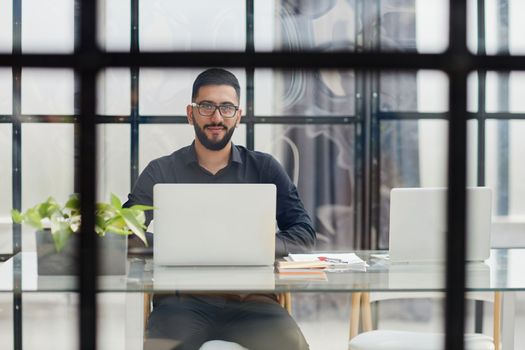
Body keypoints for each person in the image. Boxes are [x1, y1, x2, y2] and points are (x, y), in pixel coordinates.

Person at [124, 68, 315, 350]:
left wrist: (256, 246)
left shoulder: (264, 168)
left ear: (238, 115)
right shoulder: (161, 171)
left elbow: (304, 235)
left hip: (252, 303)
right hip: (180, 304)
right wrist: (174, 247)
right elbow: (125, 233)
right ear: (191, 114)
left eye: (226, 108)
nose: (216, 118)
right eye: (206, 107)